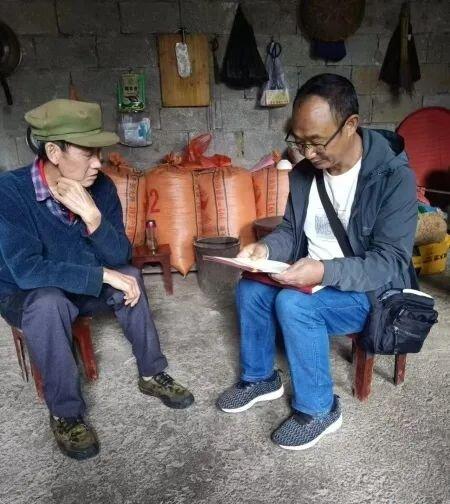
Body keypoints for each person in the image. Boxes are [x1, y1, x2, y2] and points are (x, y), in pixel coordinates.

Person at [216, 73, 417, 450]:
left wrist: (323, 270)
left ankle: (320, 409)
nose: (308, 154)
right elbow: (291, 230)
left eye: (317, 142)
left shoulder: (392, 177)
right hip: (314, 277)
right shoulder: (304, 175)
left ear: (351, 125)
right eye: (299, 142)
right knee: (249, 290)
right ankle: (260, 379)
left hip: (369, 292)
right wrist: (265, 250)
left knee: (294, 304)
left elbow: (389, 262)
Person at [0, 99, 194, 460]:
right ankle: (66, 413)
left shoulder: (100, 186)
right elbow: (27, 271)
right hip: (27, 294)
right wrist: (101, 274)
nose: (98, 163)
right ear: (54, 152)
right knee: (49, 302)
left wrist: (93, 217)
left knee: (130, 274)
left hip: (81, 284)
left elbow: (120, 256)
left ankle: (152, 374)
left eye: (99, 153)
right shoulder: (10, 192)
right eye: (88, 153)